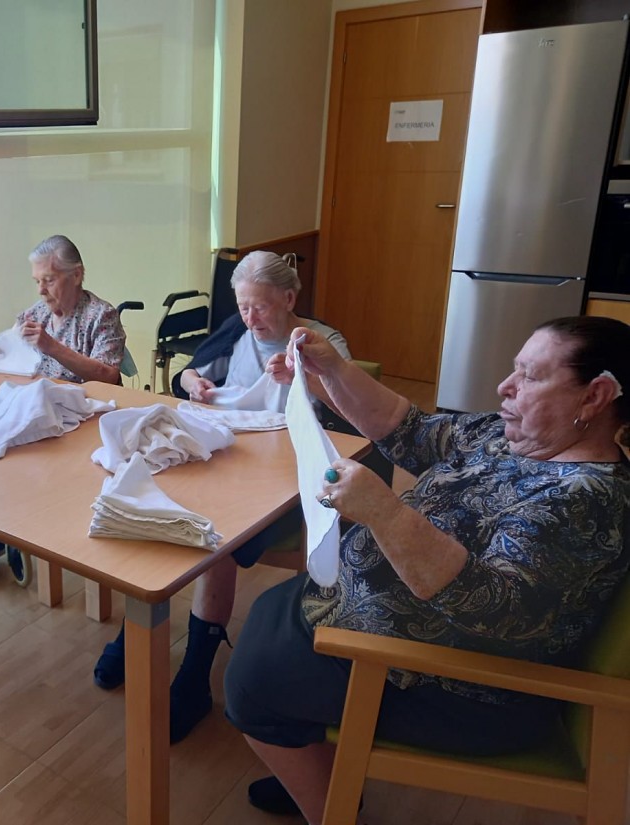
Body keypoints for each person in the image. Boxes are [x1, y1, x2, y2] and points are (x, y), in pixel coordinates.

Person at [223, 316, 630, 823]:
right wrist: (335, 372)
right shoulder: (513, 435)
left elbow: (497, 611)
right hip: (381, 632)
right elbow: (409, 429)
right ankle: (314, 769)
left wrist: (385, 513)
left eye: (530, 376)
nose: (505, 386)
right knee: (270, 619)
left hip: (463, 692)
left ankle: (329, 806)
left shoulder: (584, 501)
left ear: (595, 397)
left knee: (253, 685)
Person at [92, 250, 351, 745]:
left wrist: (307, 380)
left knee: (219, 534)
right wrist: (194, 382)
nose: (250, 319)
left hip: (287, 476)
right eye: (243, 306)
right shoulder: (237, 330)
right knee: (156, 503)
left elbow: (350, 410)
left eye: (260, 307)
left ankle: (195, 672)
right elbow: (185, 376)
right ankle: (135, 629)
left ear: (289, 298)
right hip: (226, 456)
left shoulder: (320, 341)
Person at [0, 234, 126, 603]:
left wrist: (51, 346)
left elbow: (108, 375)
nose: (41, 290)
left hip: (82, 422)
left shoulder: (101, 316)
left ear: (76, 275)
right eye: (37, 281)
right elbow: (12, 359)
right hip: (37, 414)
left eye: (49, 280)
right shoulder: (35, 314)